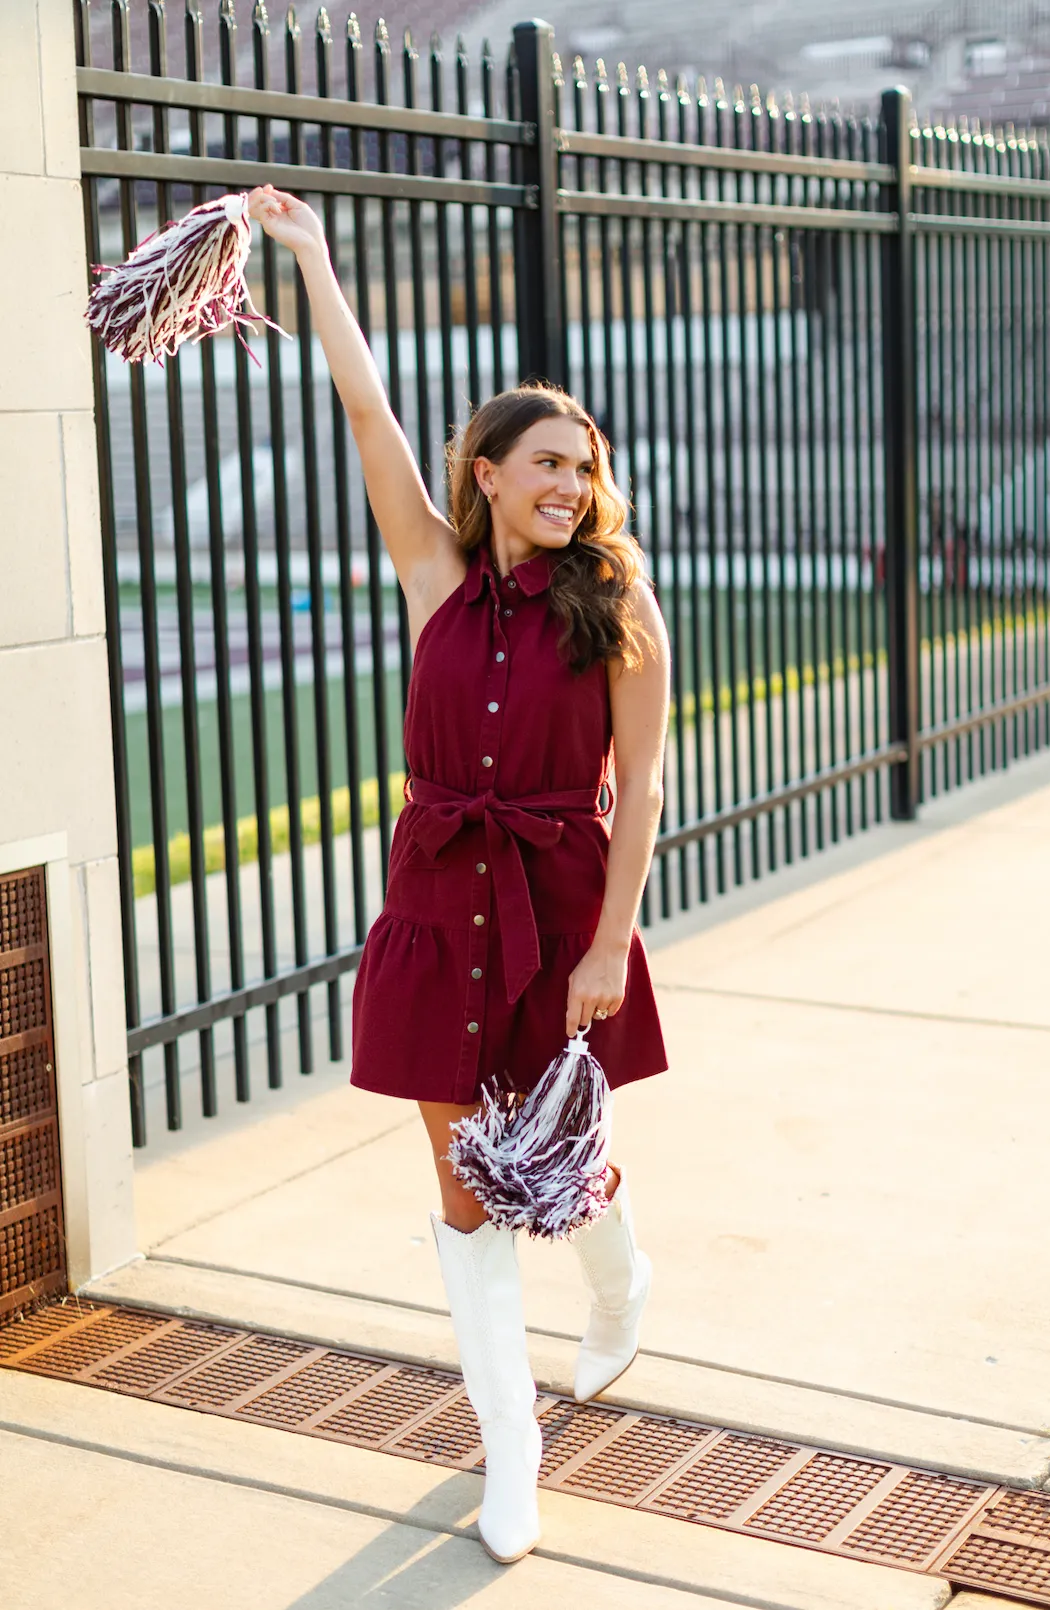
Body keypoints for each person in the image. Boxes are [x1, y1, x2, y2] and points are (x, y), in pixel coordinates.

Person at [248, 184, 670, 1564]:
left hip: (561, 911)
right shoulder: (432, 570)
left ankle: (619, 1295)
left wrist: (607, 947)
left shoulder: (616, 600)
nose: (568, 484)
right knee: (462, 1186)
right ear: (484, 472)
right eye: (543, 462)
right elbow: (368, 412)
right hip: (434, 906)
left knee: (561, 1153)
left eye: (583, 467)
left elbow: (642, 784)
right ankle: (510, 1448)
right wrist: (309, 255)